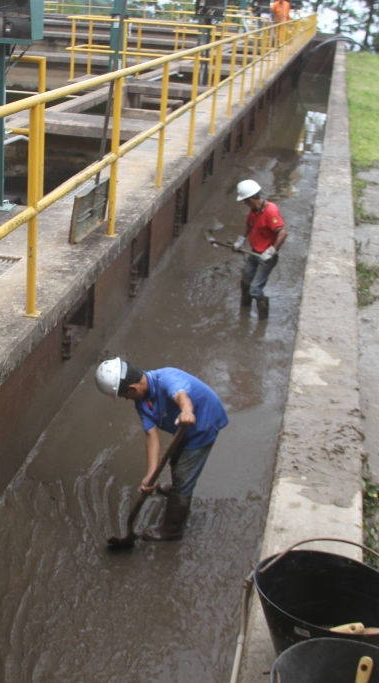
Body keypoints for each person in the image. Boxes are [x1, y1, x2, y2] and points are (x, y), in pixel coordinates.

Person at [95, 358, 229, 541]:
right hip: (183, 428)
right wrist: (151, 475)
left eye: (125, 395)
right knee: (175, 459)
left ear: (132, 389)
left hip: (203, 422)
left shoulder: (167, 378)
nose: (126, 399)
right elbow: (151, 435)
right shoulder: (141, 403)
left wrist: (187, 411)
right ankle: (175, 490)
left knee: (184, 475)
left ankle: (172, 529)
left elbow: (181, 396)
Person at [233, 179, 287, 318]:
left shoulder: (271, 211)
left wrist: (271, 251)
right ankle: (244, 312)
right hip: (254, 253)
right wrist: (241, 241)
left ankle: (262, 319)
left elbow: (283, 232)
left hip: (266, 258)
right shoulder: (253, 211)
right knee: (245, 283)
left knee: (255, 290)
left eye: (245, 201)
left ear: (251, 199)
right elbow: (249, 226)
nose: (244, 204)